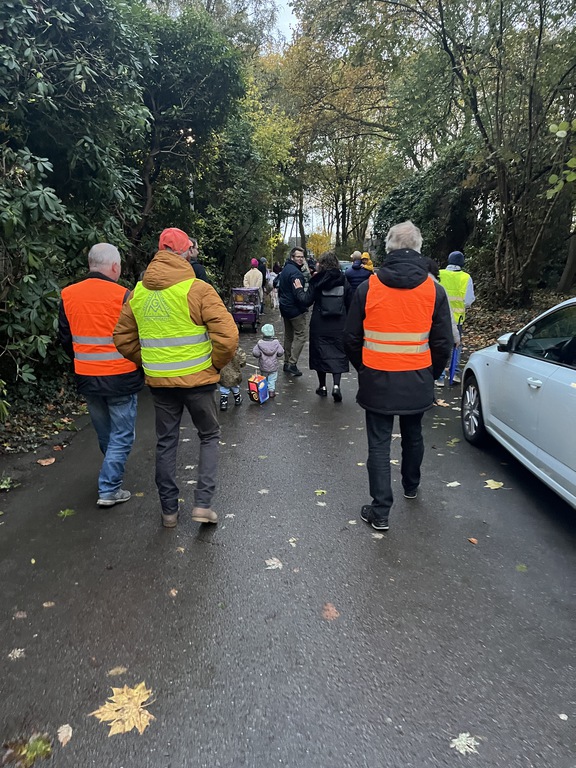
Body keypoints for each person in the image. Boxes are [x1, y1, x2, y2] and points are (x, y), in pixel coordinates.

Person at [114, 227, 238, 529]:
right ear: (185, 254)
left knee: (166, 442)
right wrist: (214, 365)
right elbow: (228, 337)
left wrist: (150, 363)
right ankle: (203, 505)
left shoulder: (138, 293)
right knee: (208, 435)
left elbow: (122, 338)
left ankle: (169, 512)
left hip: (160, 383)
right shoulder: (198, 290)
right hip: (199, 382)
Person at [344, 221, 453, 531]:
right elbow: (443, 342)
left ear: (388, 248)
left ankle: (380, 511)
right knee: (413, 434)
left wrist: (364, 368)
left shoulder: (369, 288)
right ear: (418, 248)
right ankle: (411, 485)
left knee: (379, 444)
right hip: (417, 379)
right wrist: (430, 374)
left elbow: (350, 338)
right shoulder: (434, 290)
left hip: (377, 379)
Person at [59, 243, 144, 507]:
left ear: (91, 264)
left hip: (86, 375)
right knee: (123, 434)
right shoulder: (124, 295)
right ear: (115, 266)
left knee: (106, 432)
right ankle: (109, 488)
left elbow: (65, 338)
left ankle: (111, 473)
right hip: (121, 376)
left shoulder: (68, 295)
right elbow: (137, 336)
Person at [294, 251, 352, 402]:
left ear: (322, 264)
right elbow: (350, 303)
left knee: (320, 354)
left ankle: (323, 387)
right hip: (339, 325)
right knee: (338, 354)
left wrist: (299, 288)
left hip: (320, 324)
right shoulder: (344, 280)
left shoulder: (317, 280)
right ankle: (336, 386)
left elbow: (306, 301)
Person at [438, 250, 475, 384]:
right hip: (458, 318)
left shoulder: (439, 274)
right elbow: (468, 301)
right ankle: (454, 374)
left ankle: (440, 377)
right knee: (456, 345)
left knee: (440, 345)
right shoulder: (466, 277)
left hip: (440, 316)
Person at [277, 247, 309, 376]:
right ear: (292, 257)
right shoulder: (296, 274)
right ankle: (292, 363)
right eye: (298, 257)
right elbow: (298, 295)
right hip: (294, 309)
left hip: (284, 307)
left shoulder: (286, 269)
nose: (300, 259)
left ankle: (286, 362)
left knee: (289, 335)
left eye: (302, 257)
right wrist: (304, 307)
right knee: (301, 335)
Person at [252, 323, 284, 398]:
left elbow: (255, 353)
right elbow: (281, 352)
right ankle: (271, 391)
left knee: (264, 378)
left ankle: (264, 390)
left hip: (263, 366)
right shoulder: (276, 343)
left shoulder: (260, 344)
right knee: (272, 379)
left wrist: (260, 354)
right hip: (273, 366)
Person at [219, 345, 246, 411]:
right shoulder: (237, 349)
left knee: (224, 387)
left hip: (223, 373)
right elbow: (242, 359)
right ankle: (237, 399)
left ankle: (223, 402)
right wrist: (241, 365)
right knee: (235, 386)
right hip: (235, 373)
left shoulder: (220, 349)